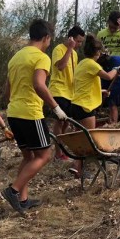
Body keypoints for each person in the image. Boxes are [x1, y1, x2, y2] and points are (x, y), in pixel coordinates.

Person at [2, 18, 67, 213]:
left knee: (28, 156)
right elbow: (39, 84)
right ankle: (13, 191)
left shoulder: (15, 58)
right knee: (44, 155)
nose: (49, 43)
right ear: (46, 37)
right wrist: (56, 108)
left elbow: (7, 91)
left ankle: (23, 200)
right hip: (30, 113)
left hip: (14, 112)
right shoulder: (41, 57)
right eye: (50, 39)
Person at [68, 35, 118, 177]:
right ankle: (79, 167)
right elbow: (108, 76)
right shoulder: (92, 64)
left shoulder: (82, 64)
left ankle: (77, 168)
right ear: (97, 52)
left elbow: (85, 85)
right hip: (86, 107)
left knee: (80, 138)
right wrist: (116, 69)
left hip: (76, 105)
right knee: (88, 140)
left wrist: (101, 91)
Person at [49, 26, 86, 154]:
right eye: (78, 41)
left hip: (70, 92)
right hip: (59, 90)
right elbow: (61, 66)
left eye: (81, 42)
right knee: (60, 121)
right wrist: (69, 48)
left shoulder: (74, 54)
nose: (79, 44)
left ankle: (62, 148)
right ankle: (58, 153)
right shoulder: (59, 49)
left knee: (66, 122)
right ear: (71, 39)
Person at [96, 10, 120, 122]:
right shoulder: (101, 34)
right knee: (105, 96)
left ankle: (115, 123)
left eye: (115, 28)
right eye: (111, 27)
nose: (113, 30)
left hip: (119, 68)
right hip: (104, 67)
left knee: (113, 98)